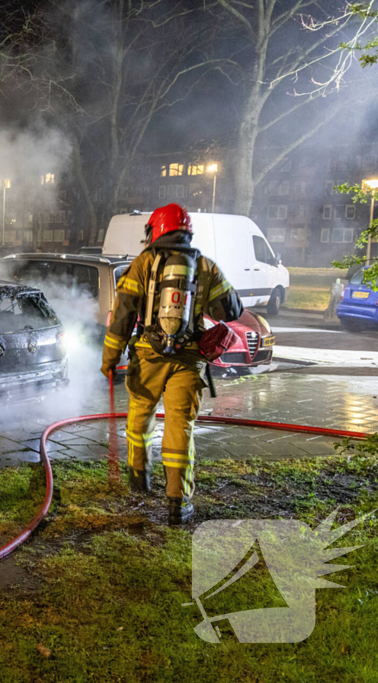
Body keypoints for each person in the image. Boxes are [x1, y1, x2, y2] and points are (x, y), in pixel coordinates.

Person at [101, 203, 243, 524]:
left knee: (140, 414)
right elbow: (231, 310)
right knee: (181, 427)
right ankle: (178, 501)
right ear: (186, 233)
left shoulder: (143, 263)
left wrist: (110, 357)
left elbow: (123, 314)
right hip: (189, 360)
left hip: (147, 357)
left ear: (155, 231)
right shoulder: (204, 265)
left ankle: (139, 476)